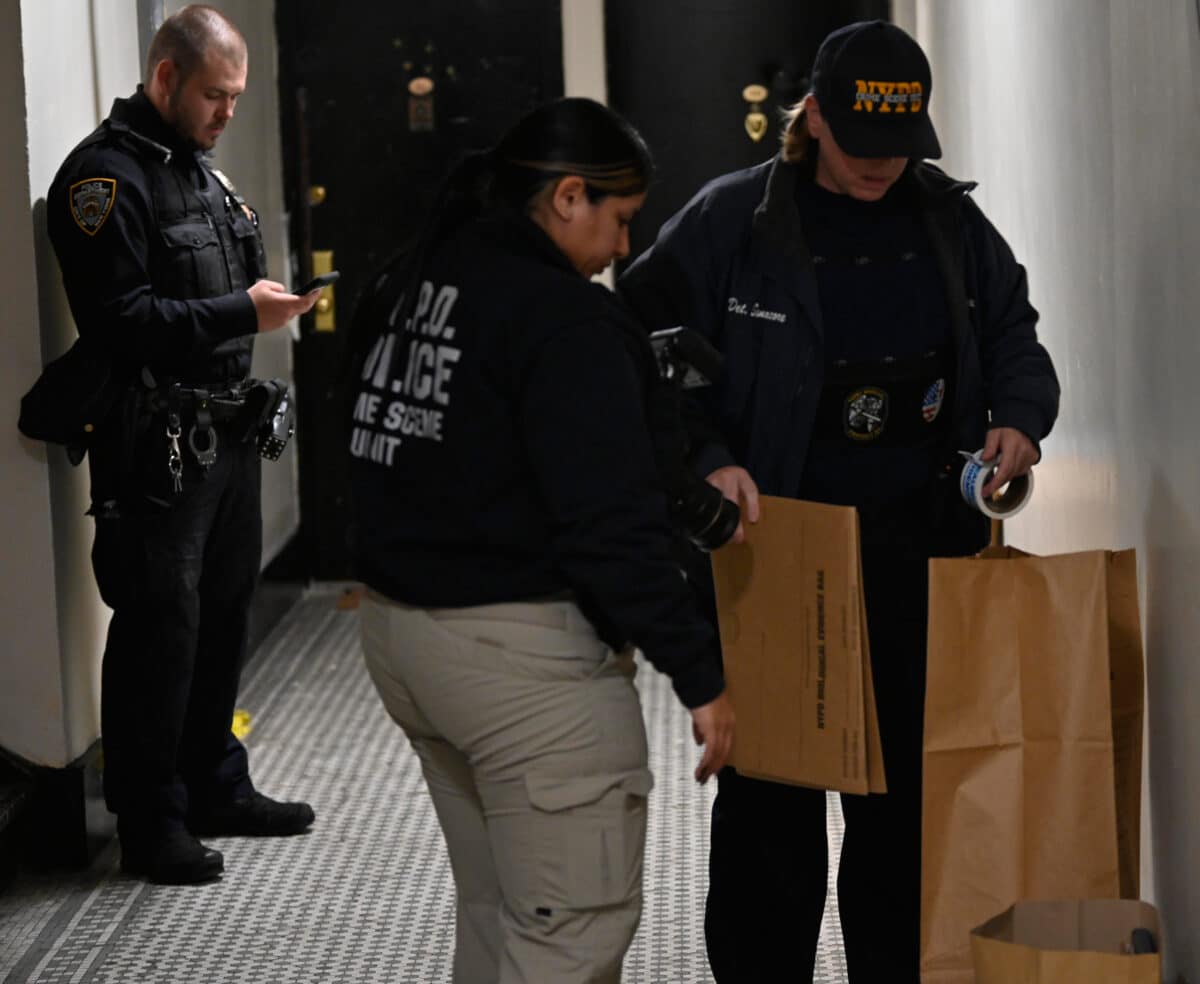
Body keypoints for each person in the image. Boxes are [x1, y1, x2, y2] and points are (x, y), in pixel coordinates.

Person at [619, 20, 1060, 983]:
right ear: (812, 117)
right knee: (771, 815)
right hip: (781, 547)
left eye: (900, 149)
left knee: (902, 811)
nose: (880, 167)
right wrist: (700, 453)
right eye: (862, 145)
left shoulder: (947, 220)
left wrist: (1022, 416)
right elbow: (638, 345)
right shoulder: (733, 222)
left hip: (919, 546)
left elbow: (1016, 331)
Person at [347, 97, 735, 983]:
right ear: (568, 198)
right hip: (521, 666)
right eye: (621, 220)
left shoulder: (417, 281)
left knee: (499, 911)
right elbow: (611, 527)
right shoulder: (567, 323)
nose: (625, 250)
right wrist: (701, 674)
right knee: (570, 932)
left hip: (403, 638)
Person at [47, 5, 321, 885]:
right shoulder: (103, 181)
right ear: (165, 78)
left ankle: (214, 783)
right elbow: (121, 322)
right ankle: (149, 819)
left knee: (221, 620)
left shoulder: (201, 175)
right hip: (155, 445)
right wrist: (246, 310)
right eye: (215, 94)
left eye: (236, 96)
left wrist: (253, 308)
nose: (227, 112)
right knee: (159, 633)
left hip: (227, 435)